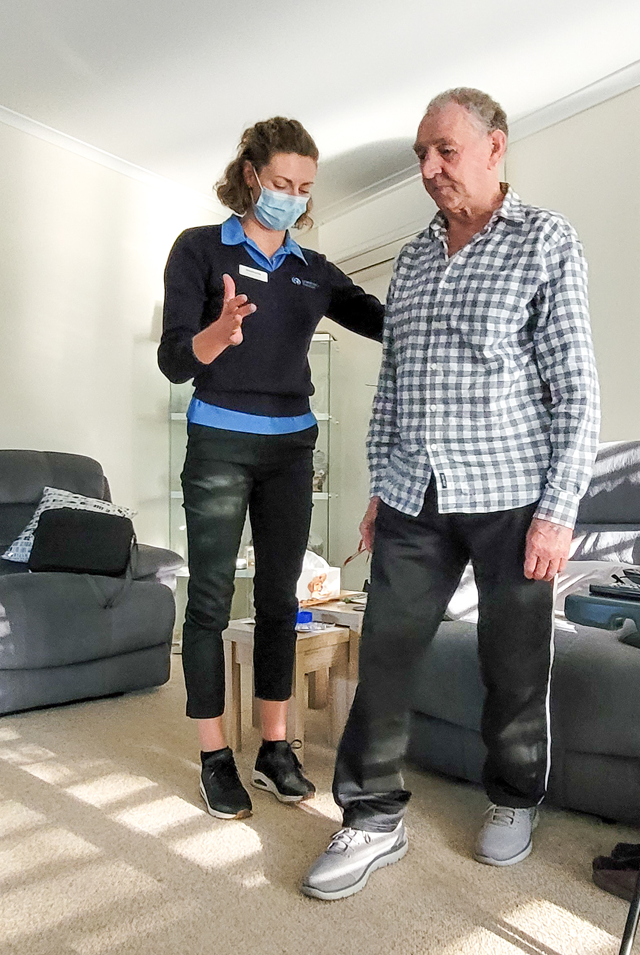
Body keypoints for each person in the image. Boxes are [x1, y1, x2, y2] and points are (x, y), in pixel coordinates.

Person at [301, 88, 599, 900]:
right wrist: (376, 488)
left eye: (445, 152)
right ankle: (369, 816)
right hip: (415, 493)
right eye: (420, 157)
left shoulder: (545, 242)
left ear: (495, 148)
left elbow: (575, 388)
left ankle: (513, 796)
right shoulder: (414, 257)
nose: (429, 170)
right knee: (386, 654)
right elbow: (393, 384)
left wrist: (559, 510)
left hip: (512, 494)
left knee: (513, 662)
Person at [158, 117, 385, 821]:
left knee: (281, 600)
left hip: (291, 449)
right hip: (220, 441)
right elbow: (172, 360)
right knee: (211, 597)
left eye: (304, 188)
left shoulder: (312, 270)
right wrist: (218, 334)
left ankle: (275, 750)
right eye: (282, 182)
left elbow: (379, 318)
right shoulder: (199, 249)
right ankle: (214, 755)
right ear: (252, 173)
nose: (292, 196)